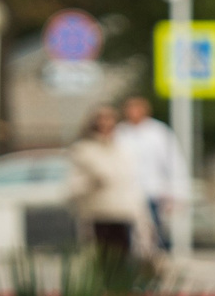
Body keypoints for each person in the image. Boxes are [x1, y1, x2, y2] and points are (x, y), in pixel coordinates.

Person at [66, 104, 148, 258]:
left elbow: (130, 181)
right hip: (97, 214)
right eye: (101, 120)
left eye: (109, 120)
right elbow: (74, 185)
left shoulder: (123, 148)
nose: (106, 124)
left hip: (123, 213)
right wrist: (95, 181)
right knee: (101, 258)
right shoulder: (83, 150)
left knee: (123, 258)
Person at [116, 92, 187, 252]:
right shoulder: (119, 133)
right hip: (125, 194)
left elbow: (174, 163)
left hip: (152, 192)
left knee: (152, 236)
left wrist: (177, 192)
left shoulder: (159, 133)